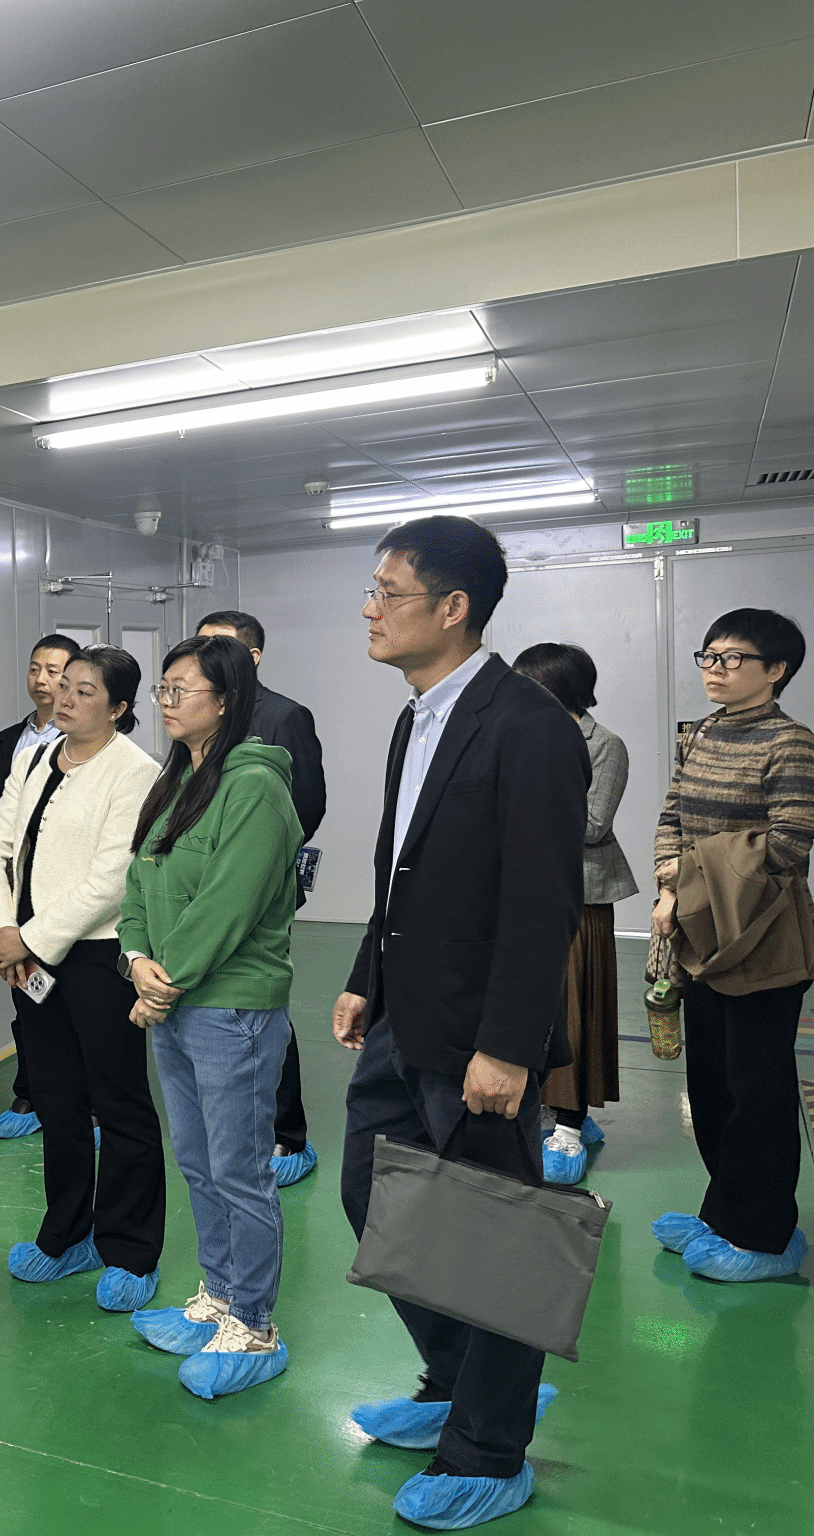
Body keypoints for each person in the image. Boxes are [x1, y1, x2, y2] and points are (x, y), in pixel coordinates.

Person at [333, 517, 587, 1531]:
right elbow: (401, 868)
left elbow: (542, 903)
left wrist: (508, 1047)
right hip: (405, 1014)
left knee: (493, 1241)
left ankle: (488, 1447)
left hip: (478, 1035)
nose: (368, 610)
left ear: (453, 608)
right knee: (372, 1196)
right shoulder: (419, 717)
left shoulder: (528, 728)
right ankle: (461, 1379)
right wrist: (366, 974)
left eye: (387, 592)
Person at [119, 635, 303, 1398]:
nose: (165, 702)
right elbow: (138, 883)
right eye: (162, 688)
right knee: (197, 1161)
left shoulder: (254, 787)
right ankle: (219, 1296)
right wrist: (135, 956)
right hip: (175, 1002)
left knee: (240, 1170)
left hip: (232, 1009)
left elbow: (229, 905)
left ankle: (255, 1324)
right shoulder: (177, 780)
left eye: (181, 689)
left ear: (225, 702)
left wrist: (160, 986)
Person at [0, 646, 167, 1311]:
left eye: (85, 691)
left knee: (119, 1104)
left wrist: (26, 939)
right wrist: (4, 929)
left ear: (118, 709)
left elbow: (111, 881)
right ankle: (67, 1235)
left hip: (96, 958)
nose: (64, 697)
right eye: (65, 685)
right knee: (57, 1100)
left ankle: (132, 1250)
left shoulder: (136, 772)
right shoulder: (35, 757)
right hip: (28, 954)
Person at [649, 608, 814, 1283]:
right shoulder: (703, 732)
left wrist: (686, 875)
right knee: (711, 1082)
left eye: (733, 658)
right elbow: (672, 815)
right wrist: (670, 887)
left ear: (776, 670)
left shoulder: (790, 743)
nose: (715, 669)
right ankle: (724, 1212)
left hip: (764, 935)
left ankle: (765, 1235)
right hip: (700, 927)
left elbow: (789, 844)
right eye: (709, 656)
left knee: (757, 1090)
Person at [198, 609, 327, 1186]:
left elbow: (307, 804)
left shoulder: (283, 715)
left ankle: (287, 1133)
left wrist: (253, 862)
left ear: (251, 658)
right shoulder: (199, 712)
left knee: (260, 1002)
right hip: (202, 886)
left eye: (216, 647)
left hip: (260, 887)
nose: (201, 657)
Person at [512, 643, 638, 1184]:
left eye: (527, 683)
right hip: (525, 893)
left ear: (556, 688)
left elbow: (592, 824)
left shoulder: (605, 745)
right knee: (531, 1006)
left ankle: (569, 1123)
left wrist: (519, 805)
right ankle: (542, 1104)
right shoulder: (523, 735)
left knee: (574, 1009)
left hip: (581, 896)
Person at [0, 634, 82, 1139]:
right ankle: (31, 1092)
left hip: (70, 896)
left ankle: (86, 1103)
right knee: (26, 995)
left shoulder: (89, 741)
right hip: (17, 895)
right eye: (35, 668)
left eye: (55, 671)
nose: (43, 681)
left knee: (76, 1002)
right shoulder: (9, 743)